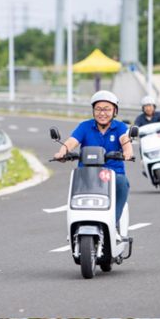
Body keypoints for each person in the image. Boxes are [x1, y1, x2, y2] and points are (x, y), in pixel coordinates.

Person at [54, 91, 134, 234]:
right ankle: (76, 225)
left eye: (107, 109)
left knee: (122, 183)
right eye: (98, 109)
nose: (102, 113)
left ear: (115, 111)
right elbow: (71, 142)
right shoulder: (85, 126)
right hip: (87, 174)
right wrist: (62, 152)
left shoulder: (120, 127)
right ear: (93, 110)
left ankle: (113, 224)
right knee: (74, 182)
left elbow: (125, 139)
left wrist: (127, 151)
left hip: (113, 174)